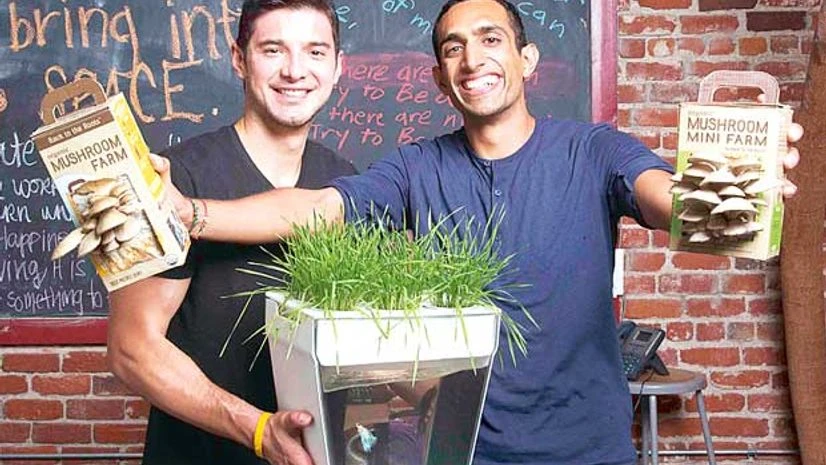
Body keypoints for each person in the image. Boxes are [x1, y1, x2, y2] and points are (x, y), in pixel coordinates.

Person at [152, 0, 803, 463]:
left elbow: (664, 199)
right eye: (452, 47)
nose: (472, 59)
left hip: (587, 448)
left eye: (490, 39)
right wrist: (195, 214)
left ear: (527, 59)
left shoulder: (595, 150)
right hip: (456, 449)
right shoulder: (414, 167)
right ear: (439, 76)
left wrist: (728, 192)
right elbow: (320, 207)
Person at [106, 1, 356, 464]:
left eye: (315, 52)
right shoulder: (168, 178)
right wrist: (258, 430)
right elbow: (131, 348)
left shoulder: (344, 181)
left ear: (339, 67)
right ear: (239, 58)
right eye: (273, 50)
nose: (295, 71)